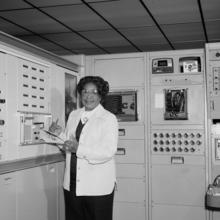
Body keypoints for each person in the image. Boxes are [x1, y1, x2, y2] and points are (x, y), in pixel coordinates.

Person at [49, 76, 119, 220]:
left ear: (101, 95)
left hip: (97, 187)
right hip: (72, 184)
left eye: (94, 92)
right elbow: (68, 145)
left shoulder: (108, 118)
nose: (88, 96)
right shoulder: (74, 115)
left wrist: (78, 149)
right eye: (85, 92)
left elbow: (108, 151)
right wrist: (57, 135)